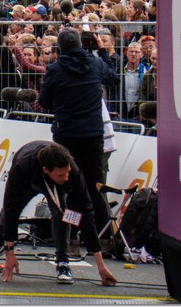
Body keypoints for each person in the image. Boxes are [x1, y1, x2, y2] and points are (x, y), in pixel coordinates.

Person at [0, 142, 119, 286]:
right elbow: (11, 209)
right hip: (28, 178)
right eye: (61, 175)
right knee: (6, 216)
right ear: (46, 170)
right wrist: (9, 253)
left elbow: (86, 214)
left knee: (63, 214)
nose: (66, 177)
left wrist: (101, 266)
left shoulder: (72, 172)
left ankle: (63, 263)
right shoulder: (21, 167)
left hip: (54, 184)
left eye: (67, 172)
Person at [39, 28, 117, 234]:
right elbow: (113, 78)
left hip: (67, 135)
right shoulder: (96, 64)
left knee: (70, 185)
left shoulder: (55, 69)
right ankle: (103, 234)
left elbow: (43, 101)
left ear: (60, 48)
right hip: (93, 135)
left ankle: (71, 234)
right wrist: (102, 52)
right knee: (95, 185)